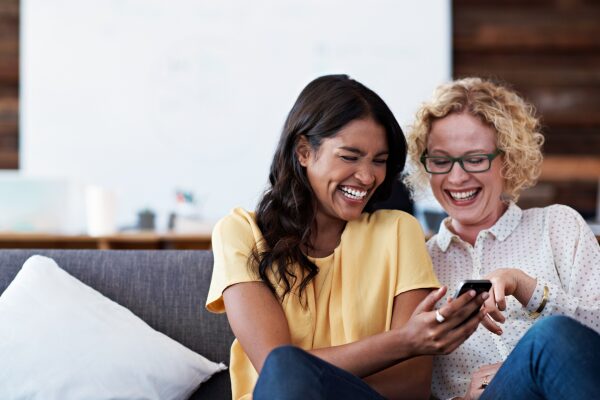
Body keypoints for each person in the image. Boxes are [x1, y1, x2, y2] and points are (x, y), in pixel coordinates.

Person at [206, 74, 489, 400]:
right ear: (303, 152)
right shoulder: (240, 232)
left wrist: (319, 384)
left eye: (379, 161)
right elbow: (277, 369)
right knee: (286, 366)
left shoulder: (398, 232)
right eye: (350, 157)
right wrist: (404, 341)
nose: (368, 177)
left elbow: (411, 387)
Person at [404, 77, 600, 399]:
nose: (457, 177)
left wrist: (525, 287)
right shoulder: (420, 263)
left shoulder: (558, 227)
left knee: (546, 337)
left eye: (475, 158)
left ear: (507, 158)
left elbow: (593, 340)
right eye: (441, 160)